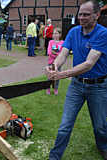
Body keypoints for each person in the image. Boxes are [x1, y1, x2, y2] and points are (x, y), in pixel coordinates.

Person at [45, 1, 107, 159]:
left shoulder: (103, 33)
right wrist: (54, 66)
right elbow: (63, 53)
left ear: (97, 15)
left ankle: (103, 147)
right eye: (80, 14)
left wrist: (62, 75)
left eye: (86, 14)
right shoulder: (73, 32)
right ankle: (54, 157)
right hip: (77, 86)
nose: (82, 17)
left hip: (98, 87)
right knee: (65, 126)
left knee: (100, 127)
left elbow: (89, 63)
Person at [46, 27, 64, 95]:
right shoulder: (51, 42)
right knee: (50, 76)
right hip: (51, 63)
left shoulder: (62, 42)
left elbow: (63, 53)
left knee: (57, 76)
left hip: (58, 63)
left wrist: (55, 53)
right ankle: (48, 88)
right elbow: (49, 52)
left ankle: (56, 89)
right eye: (53, 33)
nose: (54, 35)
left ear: (59, 34)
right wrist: (57, 54)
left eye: (56, 33)